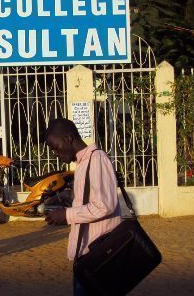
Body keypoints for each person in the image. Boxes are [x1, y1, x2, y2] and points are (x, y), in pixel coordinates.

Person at [44, 118, 121, 296]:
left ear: (68, 138)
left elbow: (104, 205)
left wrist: (67, 215)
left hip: (100, 258)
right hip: (87, 257)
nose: (55, 153)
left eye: (55, 147)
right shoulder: (83, 163)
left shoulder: (97, 159)